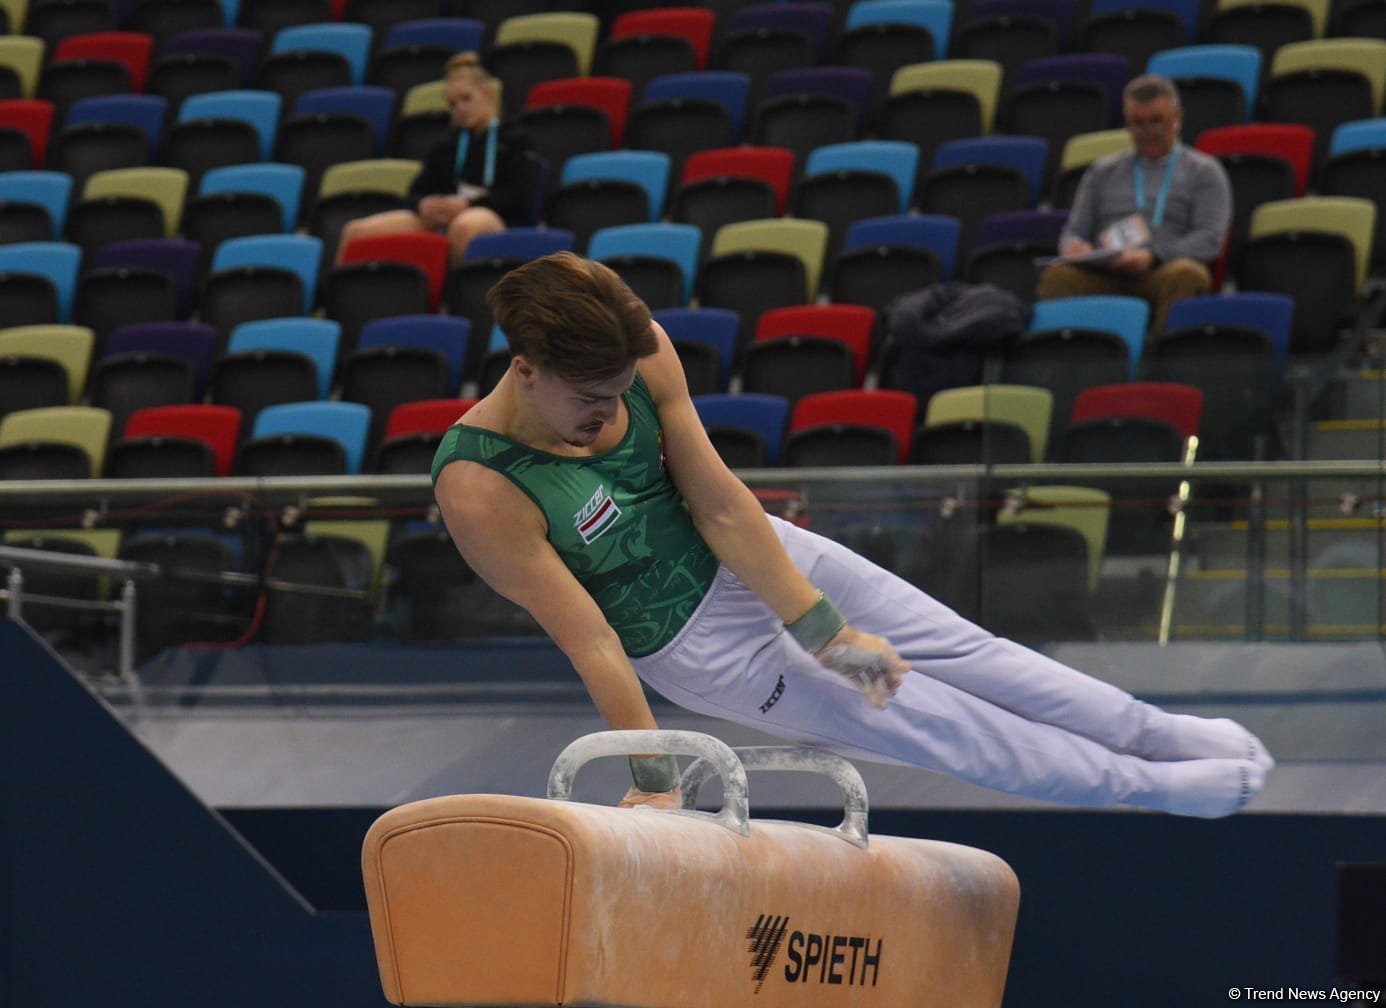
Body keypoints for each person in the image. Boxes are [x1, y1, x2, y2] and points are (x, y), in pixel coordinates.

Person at [432, 252, 1273, 817]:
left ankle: (1153, 733)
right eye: (589, 400)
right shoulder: (480, 488)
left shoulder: (638, 348)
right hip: (700, 647)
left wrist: (824, 629)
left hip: (762, 553)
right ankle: (1150, 790)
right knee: (939, 725)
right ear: (524, 368)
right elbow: (594, 644)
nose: (609, 413)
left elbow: (723, 504)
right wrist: (655, 779)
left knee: (975, 654)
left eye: (620, 393)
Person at [1036, 74, 1232, 335]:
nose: (1149, 132)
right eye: (1138, 123)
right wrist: (1074, 246)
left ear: (1177, 118)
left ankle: (1152, 362)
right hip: (1106, 271)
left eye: (1157, 121)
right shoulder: (1102, 171)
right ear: (1126, 121)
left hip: (1163, 269)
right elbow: (1074, 230)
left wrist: (1154, 255)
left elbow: (1210, 239)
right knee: (1057, 277)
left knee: (1189, 274)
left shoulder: (1204, 171)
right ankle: (1075, 361)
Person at [337, 52, 537, 266]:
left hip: (494, 215)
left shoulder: (515, 139)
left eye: (466, 99)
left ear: (487, 94)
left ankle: (459, 295)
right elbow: (415, 192)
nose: (459, 109)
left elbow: (519, 197)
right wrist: (424, 205)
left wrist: (469, 204)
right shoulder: (446, 144)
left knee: (464, 226)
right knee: (356, 231)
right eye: (452, 104)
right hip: (445, 216)